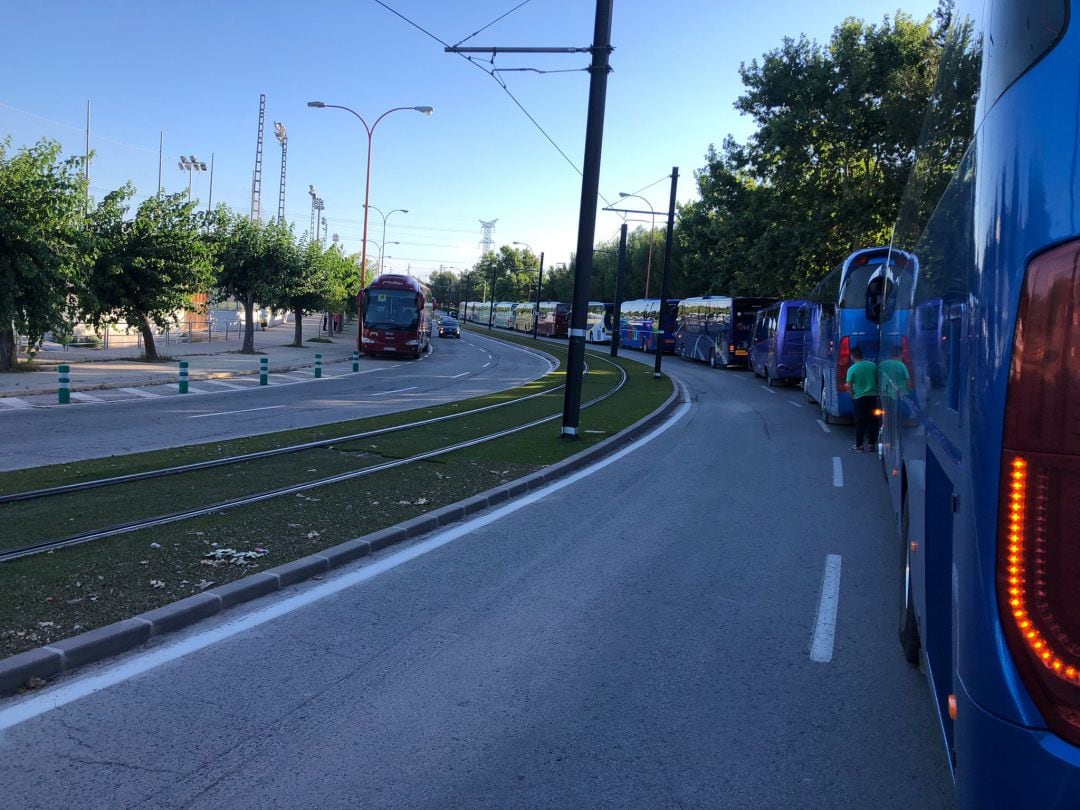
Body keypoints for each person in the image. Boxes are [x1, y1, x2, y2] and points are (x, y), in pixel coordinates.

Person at [846, 345, 878, 452]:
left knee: (860, 422)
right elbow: (878, 379)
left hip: (859, 398)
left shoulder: (852, 369)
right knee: (872, 421)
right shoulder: (873, 366)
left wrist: (852, 396)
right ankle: (871, 445)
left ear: (852, 356)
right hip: (872, 397)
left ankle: (859, 445)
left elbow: (849, 385)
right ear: (861, 355)